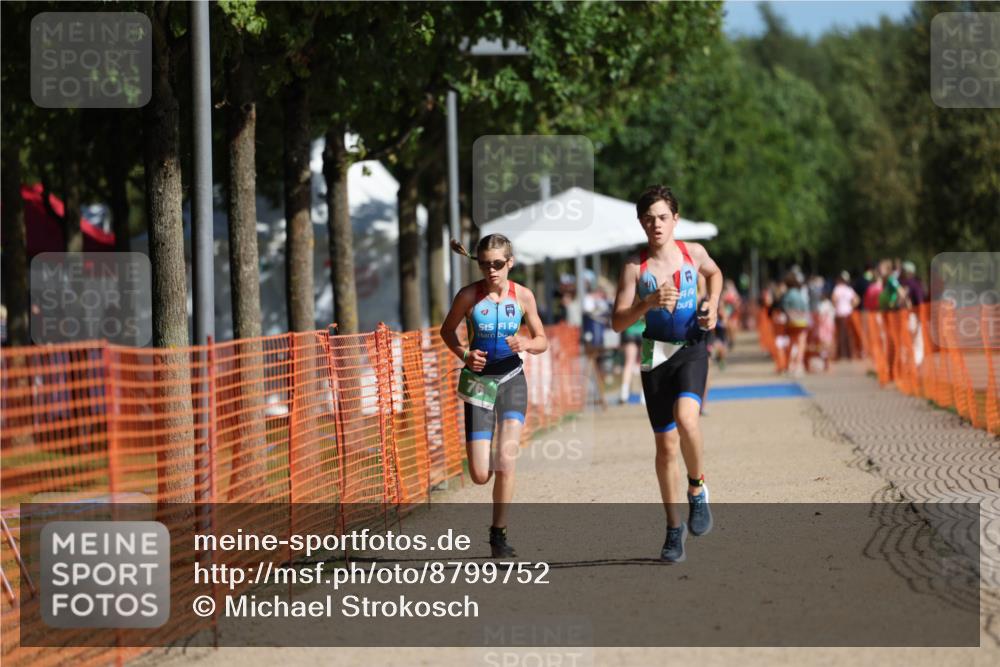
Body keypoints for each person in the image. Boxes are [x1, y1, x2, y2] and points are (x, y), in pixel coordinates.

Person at [611, 185, 722, 563]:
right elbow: (617, 322)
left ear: (675, 218)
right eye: (649, 219)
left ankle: (697, 488)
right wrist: (648, 303)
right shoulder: (634, 268)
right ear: (641, 223)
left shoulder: (694, 253)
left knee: (687, 419)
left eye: (662, 217)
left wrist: (714, 304)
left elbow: (715, 273)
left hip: (691, 349)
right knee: (665, 447)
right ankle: (674, 530)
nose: (656, 224)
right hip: (654, 356)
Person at [440, 234, 548, 558]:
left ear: (510, 263)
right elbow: (447, 331)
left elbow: (542, 339)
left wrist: (527, 344)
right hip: (478, 383)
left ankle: (498, 534)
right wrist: (464, 354)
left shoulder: (523, 297)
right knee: (479, 474)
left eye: (498, 264)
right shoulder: (468, 296)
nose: (492, 271)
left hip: (512, 379)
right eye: (485, 264)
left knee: (505, 459)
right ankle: (494, 513)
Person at [779, 269, 810, 377]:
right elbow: (805, 308)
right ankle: (798, 365)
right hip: (801, 321)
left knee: (791, 344)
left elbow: (784, 307)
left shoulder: (787, 294)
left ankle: (789, 365)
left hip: (790, 322)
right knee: (801, 343)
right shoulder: (799, 294)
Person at [831, 271, 860, 360]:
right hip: (848, 313)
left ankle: (841, 354)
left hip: (840, 314)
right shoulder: (849, 289)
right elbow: (857, 300)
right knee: (848, 334)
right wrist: (850, 306)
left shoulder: (837, 289)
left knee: (840, 335)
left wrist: (837, 306)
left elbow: (834, 299)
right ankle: (848, 354)